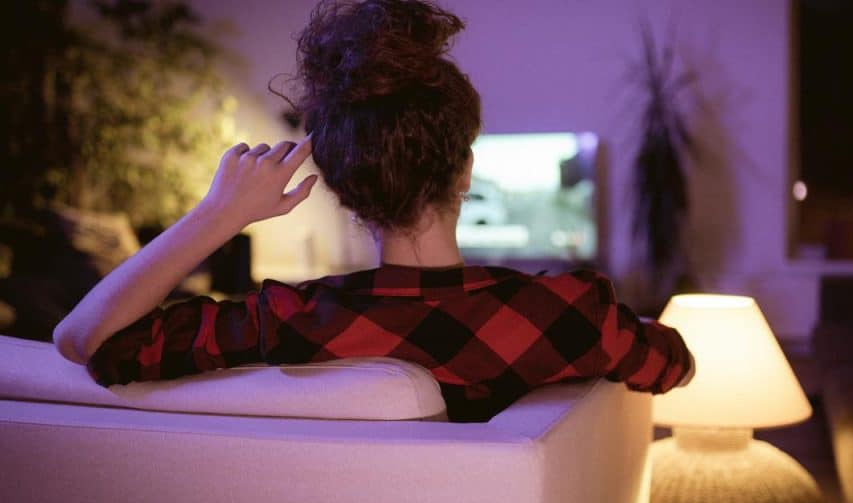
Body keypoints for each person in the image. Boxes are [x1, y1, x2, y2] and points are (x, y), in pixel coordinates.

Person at [53, 0, 692, 422]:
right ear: (466, 169)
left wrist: (220, 214)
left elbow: (84, 340)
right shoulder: (572, 314)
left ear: (341, 187)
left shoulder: (289, 321)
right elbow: (674, 365)